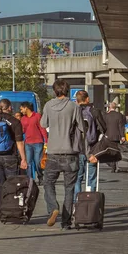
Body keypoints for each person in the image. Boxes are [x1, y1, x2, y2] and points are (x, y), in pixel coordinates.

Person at [41, 80, 85, 230]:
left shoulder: (48, 105)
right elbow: (81, 126)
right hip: (70, 153)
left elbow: (43, 124)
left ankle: (53, 207)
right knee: (69, 188)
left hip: (53, 152)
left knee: (47, 183)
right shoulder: (74, 106)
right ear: (68, 90)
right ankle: (66, 223)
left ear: (54, 91)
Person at [74, 90, 106, 198]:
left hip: (77, 150)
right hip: (92, 149)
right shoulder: (94, 111)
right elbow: (104, 128)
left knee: (77, 178)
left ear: (76, 100)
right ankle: (90, 203)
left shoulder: (73, 112)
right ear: (87, 99)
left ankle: (77, 204)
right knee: (91, 178)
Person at [19, 101, 47, 185]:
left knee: (38, 162)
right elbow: (22, 130)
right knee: (29, 163)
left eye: (21, 109)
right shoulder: (23, 119)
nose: (21, 111)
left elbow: (42, 128)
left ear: (26, 108)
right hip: (28, 143)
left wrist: (46, 140)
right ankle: (30, 179)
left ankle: (40, 176)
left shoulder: (37, 116)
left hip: (38, 142)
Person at [102, 102, 126, 172]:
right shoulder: (120, 115)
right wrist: (122, 136)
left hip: (107, 136)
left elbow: (103, 126)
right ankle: (114, 165)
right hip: (116, 136)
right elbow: (121, 127)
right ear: (115, 108)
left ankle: (112, 165)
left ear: (109, 107)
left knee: (107, 151)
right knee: (115, 150)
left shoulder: (106, 116)